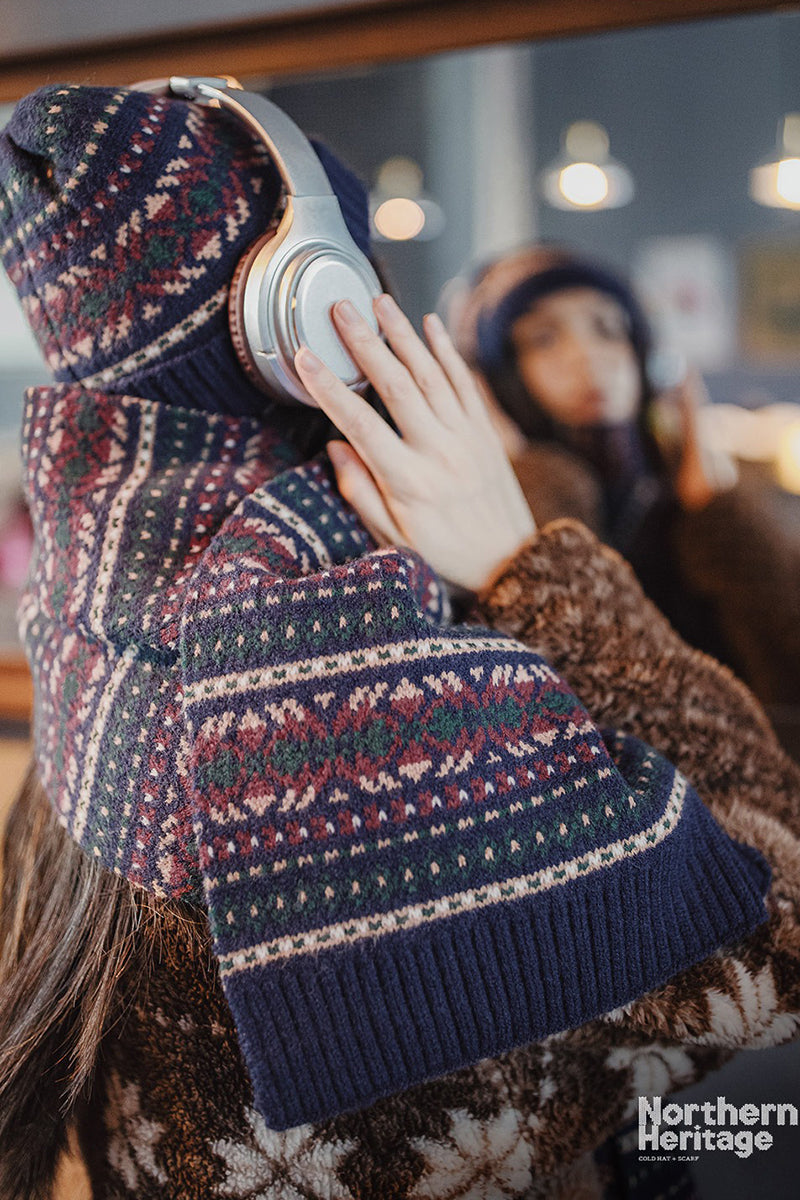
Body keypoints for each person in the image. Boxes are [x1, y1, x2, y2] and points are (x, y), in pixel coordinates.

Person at [0, 82, 798, 1200]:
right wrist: (530, 562)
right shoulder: (330, 647)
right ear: (302, 303)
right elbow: (773, 933)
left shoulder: (103, 601)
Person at [452, 245, 800, 751]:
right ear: (497, 380)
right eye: (543, 338)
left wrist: (723, 519)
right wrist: (538, 483)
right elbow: (582, 709)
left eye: (609, 329)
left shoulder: (702, 508)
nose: (587, 355)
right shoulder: (475, 533)